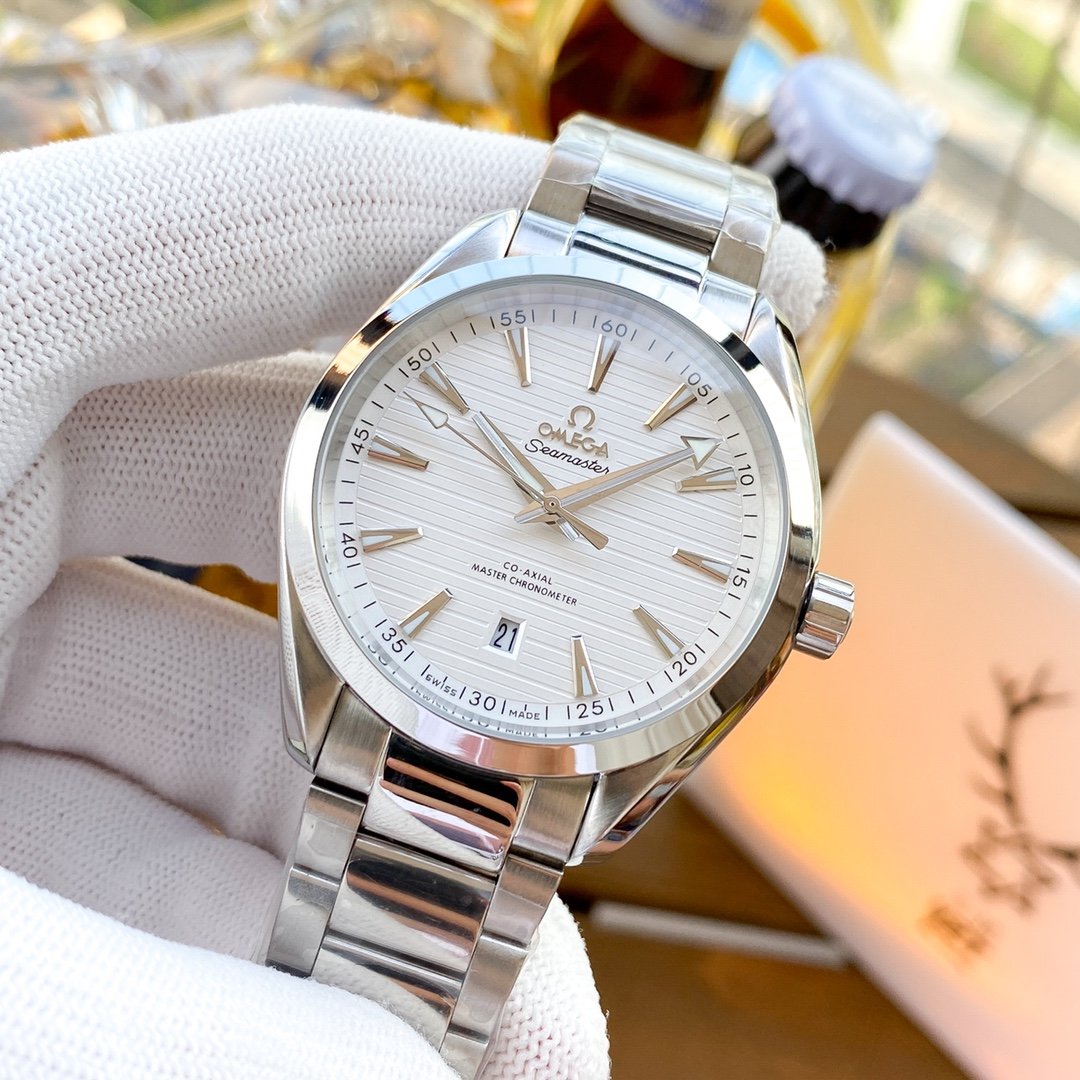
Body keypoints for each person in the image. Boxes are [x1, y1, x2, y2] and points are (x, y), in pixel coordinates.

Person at [0, 104, 821, 1078]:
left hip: (518, 741)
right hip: (387, 678)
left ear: (792, 606)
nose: (551, 508)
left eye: (561, 505)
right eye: (543, 498)